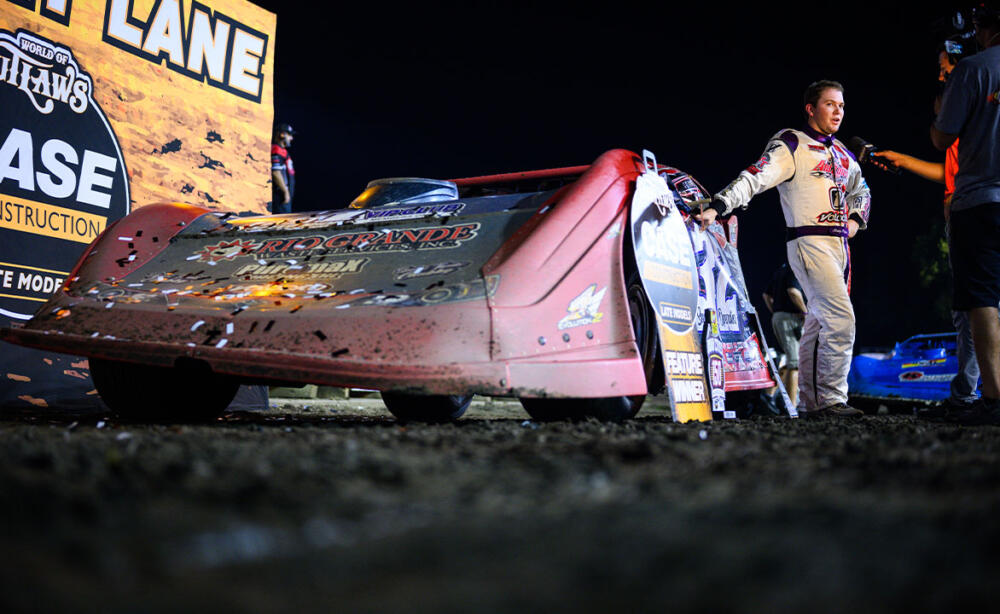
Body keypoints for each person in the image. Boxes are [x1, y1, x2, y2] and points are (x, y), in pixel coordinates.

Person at [696, 80, 872, 418]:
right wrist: (719, 204)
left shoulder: (844, 155)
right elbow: (756, 177)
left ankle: (810, 403)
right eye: (830, 104)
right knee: (840, 319)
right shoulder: (792, 144)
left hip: (839, 246)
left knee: (818, 323)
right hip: (808, 242)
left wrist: (854, 220)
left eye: (842, 106)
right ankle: (833, 399)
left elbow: (861, 190)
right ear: (811, 108)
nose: (838, 112)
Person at [872, 37, 985, 417]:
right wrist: (903, 161)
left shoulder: (967, 96)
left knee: (974, 306)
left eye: (944, 66)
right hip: (967, 207)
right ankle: (971, 392)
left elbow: (945, 147)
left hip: (973, 211)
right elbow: (949, 171)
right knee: (971, 309)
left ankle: (970, 396)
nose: (940, 73)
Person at [930, 2, 1000, 425]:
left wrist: (941, 109)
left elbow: (943, 138)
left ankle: (993, 398)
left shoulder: (973, 69)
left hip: (981, 201)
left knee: (982, 300)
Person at [762, 263, 807, 408]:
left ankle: (769, 394)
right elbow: (793, 291)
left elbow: (766, 295)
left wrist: (775, 312)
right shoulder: (795, 268)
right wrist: (806, 312)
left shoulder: (781, 269)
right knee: (795, 363)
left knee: (788, 360)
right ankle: (792, 406)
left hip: (780, 316)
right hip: (790, 318)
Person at [271, 122, 296, 214]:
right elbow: (275, 172)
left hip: (284, 195)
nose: (291, 138)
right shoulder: (276, 149)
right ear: (282, 134)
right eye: (289, 135)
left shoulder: (283, 151)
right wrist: (285, 191)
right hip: (280, 195)